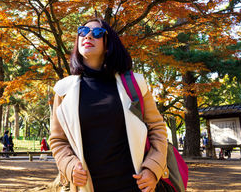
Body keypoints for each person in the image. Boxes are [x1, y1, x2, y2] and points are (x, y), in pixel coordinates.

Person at [49, 18, 168, 192]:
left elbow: (157, 129)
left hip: (134, 186)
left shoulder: (135, 84)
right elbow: (58, 140)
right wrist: (69, 165)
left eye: (97, 33)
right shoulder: (64, 90)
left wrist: (153, 168)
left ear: (108, 44)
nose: (88, 35)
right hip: (87, 187)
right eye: (82, 31)